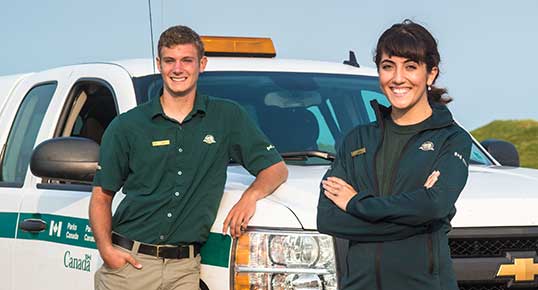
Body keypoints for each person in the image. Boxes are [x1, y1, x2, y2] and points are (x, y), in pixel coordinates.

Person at [89, 25, 288, 290]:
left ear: (201, 64)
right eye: (170, 61)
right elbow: (101, 195)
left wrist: (250, 196)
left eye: (187, 60)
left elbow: (276, 168)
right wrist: (106, 250)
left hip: (185, 270)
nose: (178, 69)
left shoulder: (226, 117)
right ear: (159, 64)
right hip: (130, 265)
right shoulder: (127, 126)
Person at [317, 19, 472, 290]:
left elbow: (435, 204)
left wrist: (356, 205)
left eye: (410, 67)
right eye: (388, 67)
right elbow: (328, 218)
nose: (398, 78)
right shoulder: (356, 139)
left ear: (431, 74)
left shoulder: (452, 139)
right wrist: (419, 221)